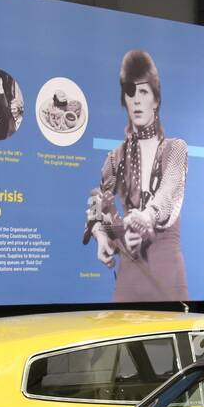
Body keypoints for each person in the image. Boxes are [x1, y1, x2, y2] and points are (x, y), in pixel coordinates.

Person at [82, 50, 189, 301]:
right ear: (124, 99)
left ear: (156, 99)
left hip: (167, 276)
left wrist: (147, 216)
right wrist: (100, 236)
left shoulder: (176, 148)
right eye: (131, 92)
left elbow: (168, 190)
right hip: (129, 278)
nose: (137, 100)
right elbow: (96, 202)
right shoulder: (114, 158)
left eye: (144, 91)